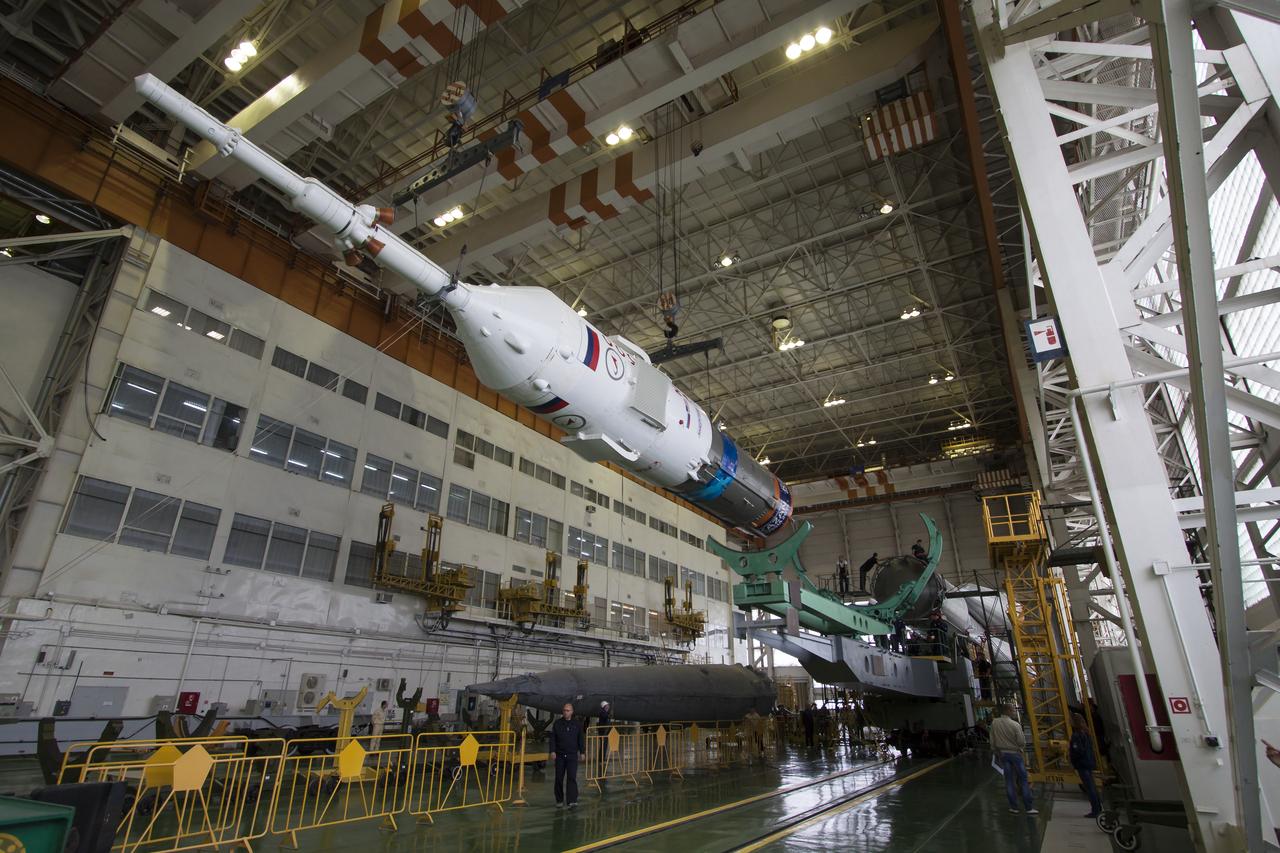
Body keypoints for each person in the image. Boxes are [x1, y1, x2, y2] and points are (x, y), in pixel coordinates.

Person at [991, 704, 1036, 815]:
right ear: (1007, 711)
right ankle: (1029, 807)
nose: (1014, 712)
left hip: (1003, 754)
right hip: (1015, 754)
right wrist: (1020, 748)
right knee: (1023, 780)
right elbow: (1021, 741)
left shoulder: (994, 723)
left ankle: (1014, 807)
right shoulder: (1015, 725)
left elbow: (992, 740)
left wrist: (996, 751)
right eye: (1013, 710)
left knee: (1009, 781)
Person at [549, 702, 586, 808]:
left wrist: (582, 752)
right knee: (559, 778)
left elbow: (580, 739)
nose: (566, 712)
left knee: (571, 778)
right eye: (564, 710)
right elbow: (553, 739)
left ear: (572, 712)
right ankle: (559, 800)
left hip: (572, 756)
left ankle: (572, 800)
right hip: (560, 756)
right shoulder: (557, 724)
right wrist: (552, 751)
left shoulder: (577, 724)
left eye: (568, 710)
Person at [1069, 712, 1102, 817]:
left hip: (1082, 764)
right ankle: (1098, 808)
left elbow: (1077, 750)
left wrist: (1073, 761)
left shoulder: (1076, 735)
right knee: (1092, 786)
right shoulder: (1086, 733)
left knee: (1089, 787)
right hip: (1089, 762)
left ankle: (1095, 810)